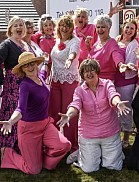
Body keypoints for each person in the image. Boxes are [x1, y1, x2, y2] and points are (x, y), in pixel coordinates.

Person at [0, 52, 71, 174]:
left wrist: (46, 62)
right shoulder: (25, 85)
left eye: (32, 63)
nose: (30, 67)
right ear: (22, 69)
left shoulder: (40, 78)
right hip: (29, 129)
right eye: (26, 65)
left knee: (64, 145)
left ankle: (44, 162)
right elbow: (20, 109)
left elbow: (44, 71)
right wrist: (11, 121)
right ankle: (7, 153)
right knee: (33, 170)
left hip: (45, 124)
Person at [57, 59, 130, 173]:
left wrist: (118, 103)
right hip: (89, 134)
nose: (89, 73)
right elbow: (75, 105)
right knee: (90, 169)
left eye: (92, 70)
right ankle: (82, 154)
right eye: (86, 72)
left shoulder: (107, 84)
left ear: (97, 71)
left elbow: (113, 95)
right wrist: (68, 115)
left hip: (109, 131)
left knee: (113, 166)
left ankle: (112, 152)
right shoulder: (79, 90)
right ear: (82, 75)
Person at [0, 16, 30, 160]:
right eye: (16, 25)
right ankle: (6, 148)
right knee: (12, 114)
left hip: (26, 83)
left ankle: (22, 146)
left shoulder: (24, 43)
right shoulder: (6, 44)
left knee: (24, 114)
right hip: (13, 85)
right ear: (10, 29)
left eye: (21, 25)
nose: (19, 27)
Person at [49, 15, 80, 152]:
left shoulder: (75, 41)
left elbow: (73, 52)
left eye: (67, 25)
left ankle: (72, 145)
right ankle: (55, 143)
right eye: (62, 25)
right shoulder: (57, 40)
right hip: (55, 80)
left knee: (68, 113)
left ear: (72, 28)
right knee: (54, 112)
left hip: (69, 80)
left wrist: (70, 59)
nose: (64, 28)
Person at [115, 19, 139, 148]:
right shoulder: (115, 41)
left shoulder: (134, 44)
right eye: (127, 27)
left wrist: (131, 66)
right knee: (114, 110)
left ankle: (126, 137)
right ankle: (114, 136)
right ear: (123, 27)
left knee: (126, 108)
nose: (129, 30)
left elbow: (138, 61)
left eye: (132, 29)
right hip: (114, 79)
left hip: (127, 81)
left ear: (135, 32)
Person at [85, 15, 125, 82]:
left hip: (106, 82)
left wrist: (121, 65)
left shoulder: (112, 42)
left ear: (109, 28)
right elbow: (92, 59)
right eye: (98, 27)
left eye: (103, 27)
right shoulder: (97, 43)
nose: (100, 30)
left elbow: (116, 55)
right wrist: (89, 47)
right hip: (93, 80)